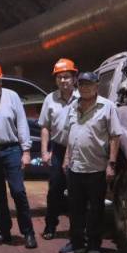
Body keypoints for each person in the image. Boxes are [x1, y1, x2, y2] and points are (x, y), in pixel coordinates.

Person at [60, 71, 123, 253]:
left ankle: (94, 245)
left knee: (96, 208)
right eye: (81, 84)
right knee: (75, 209)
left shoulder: (107, 107)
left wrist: (111, 164)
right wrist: (66, 158)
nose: (85, 87)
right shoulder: (73, 106)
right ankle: (77, 244)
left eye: (89, 84)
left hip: (97, 167)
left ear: (97, 86)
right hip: (75, 167)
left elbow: (115, 136)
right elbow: (70, 135)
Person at [0, 61, 38, 250]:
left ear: (0, 80)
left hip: (11, 150)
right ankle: (5, 232)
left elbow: (21, 123)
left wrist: (26, 150)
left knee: (18, 191)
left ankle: (28, 233)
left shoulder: (12, 97)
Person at [38, 58, 79, 240]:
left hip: (79, 152)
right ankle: (50, 226)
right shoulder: (50, 99)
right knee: (54, 189)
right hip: (58, 149)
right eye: (60, 77)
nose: (63, 81)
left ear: (74, 78)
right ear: (56, 80)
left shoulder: (82, 99)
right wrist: (45, 152)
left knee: (77, 191)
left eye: (67, 77)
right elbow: (45, 126)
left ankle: (77, 229)